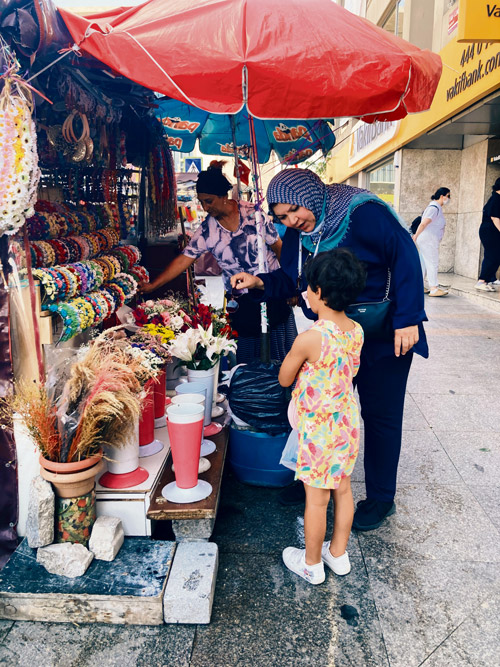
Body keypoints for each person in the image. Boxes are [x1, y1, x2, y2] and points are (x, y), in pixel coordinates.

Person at [231, 168, 429, 531]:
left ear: (309, 196)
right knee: (320, 410)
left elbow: (405, 255)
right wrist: (260, 281)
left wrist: (408, 318)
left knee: (381, 415)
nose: (292, 221)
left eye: (294, 211)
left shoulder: (362, 212)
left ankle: (381, 498)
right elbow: (294, 279)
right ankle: (311, 479)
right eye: (281, 217)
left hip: (384, 332)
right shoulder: (297, 234)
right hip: (334, 336)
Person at [139, 162, 297, 363]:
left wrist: (291, 286)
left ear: (224, 196)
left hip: (272, 292)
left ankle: (280, 393)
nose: (205, 208)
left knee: (279, 358)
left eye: (209, 201)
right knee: (248, 359)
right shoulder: (207, 230)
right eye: (202, 202)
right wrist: (153, 285)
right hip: (243, 300)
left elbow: (279, 248)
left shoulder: (254, 215)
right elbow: (183, 260)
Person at [279, 249, 365, 584]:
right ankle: (338, 554)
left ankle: (311, 563)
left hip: (318, 430)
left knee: (316, 500)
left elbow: (285, 378)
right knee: (343, 489)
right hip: (345, 423)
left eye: (309, 288)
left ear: (318, 292)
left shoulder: (310, 337)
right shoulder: (356, 330)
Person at [412, 187, 451, 297]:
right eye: (448, 196)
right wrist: (415, 236)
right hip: (428, 240)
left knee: (424, 263)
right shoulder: (434, 208)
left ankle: (417, 286)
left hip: (428, 239)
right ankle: (434, 288)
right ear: (442, 196)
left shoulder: (435, 207)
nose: (449, 199)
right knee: (432, 263)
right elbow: (423, 223)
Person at [475, 177, 500, 292]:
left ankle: (487, 280)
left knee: (496, 256)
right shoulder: (496, 199)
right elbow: (495, 218)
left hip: (491, 231)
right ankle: (481, 281)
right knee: (492, 255)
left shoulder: (496, 198)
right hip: (490, 231)